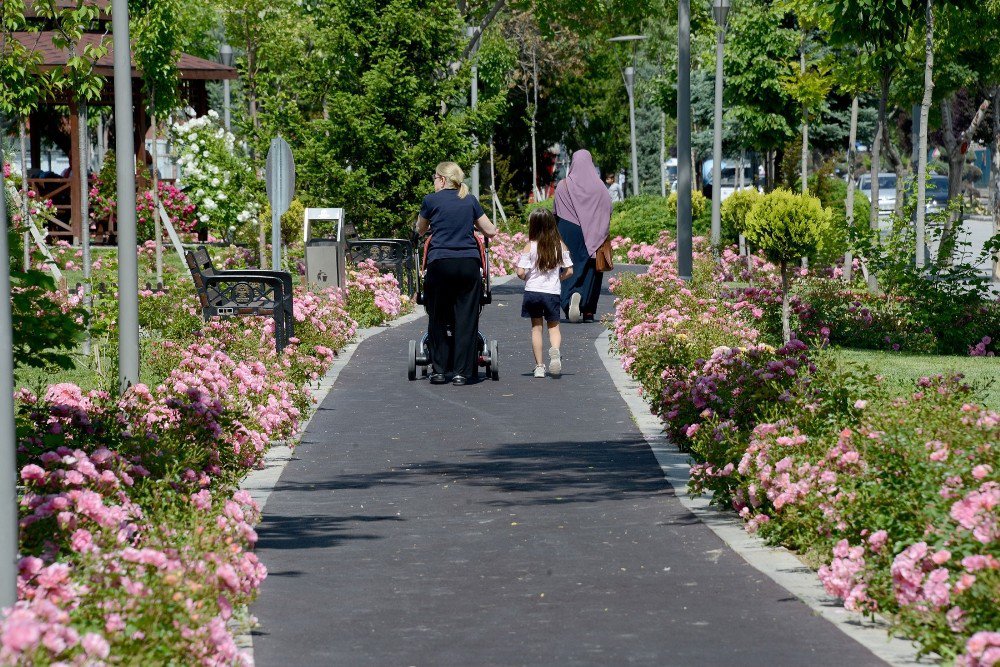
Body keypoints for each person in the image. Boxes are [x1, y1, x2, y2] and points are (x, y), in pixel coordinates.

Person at [416, 161, 498, 386]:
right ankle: (462, 372)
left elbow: (420, 229)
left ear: (442, 179)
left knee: (438, 316)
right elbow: (490, 230)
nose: (433, 182)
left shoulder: (430, 201)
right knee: (466, 317)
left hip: (439, 264)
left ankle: (440, 371)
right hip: (467, 265)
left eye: (434, 177)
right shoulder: (469, 200)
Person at [553, 150, 612, 323]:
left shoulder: (563, 185)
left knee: (568, 264)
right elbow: (608, 208)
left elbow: (556, 210)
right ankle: (588, 311)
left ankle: (570, 298)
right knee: (592, 270)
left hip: (568, 230)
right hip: (594, 231)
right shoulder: (599, 186)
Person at [516, 208, 573, 378]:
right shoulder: (559, 246)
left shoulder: (530, 247)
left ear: (533, 226)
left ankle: (539, 366)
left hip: (533, 292)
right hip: (552, 292)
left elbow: (520, 272)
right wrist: (559, 278)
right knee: (553, 327)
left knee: (536, 328)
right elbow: (569, 271)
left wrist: (526, 278)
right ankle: (554, 350)